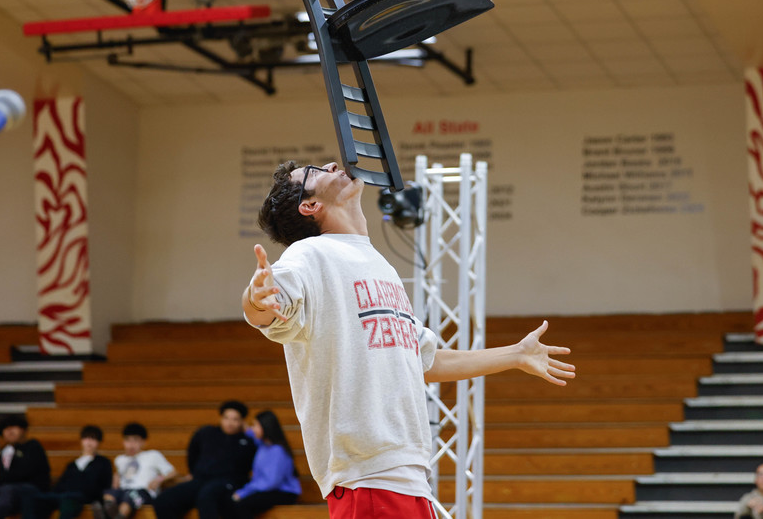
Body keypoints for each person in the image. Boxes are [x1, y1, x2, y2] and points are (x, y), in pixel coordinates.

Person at [245, 160, 575, 518]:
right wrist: (256, 298)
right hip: (367, 479)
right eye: (314, 171)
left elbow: (425, 360)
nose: (331, 164)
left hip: (409, 477)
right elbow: (268, 304)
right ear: (310, 206)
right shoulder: (308, 256)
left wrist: (515, 354)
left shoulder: (377, 263)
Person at [152, 402, 255, 519]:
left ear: (242, 421)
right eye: (226, 418)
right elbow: (193, 451)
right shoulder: (206, 433)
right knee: (164, 500)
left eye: (235, 419)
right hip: (201, 480)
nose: (230, 423)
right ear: (220, 418)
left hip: (228, 482)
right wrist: (193, 472)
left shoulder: (248, 441)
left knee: (206, 497)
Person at [24, 425, 113, 519]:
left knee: (69, 503)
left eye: (93, 439)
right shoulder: (72, 465)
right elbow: (60, 485)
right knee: (35, 500)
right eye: (86, 438)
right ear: (81, 440)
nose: (89, 442)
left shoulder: (103, 462)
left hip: (83, 498)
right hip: (64, 495)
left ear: (99, 442)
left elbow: (104, 486)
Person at [226, 411, 300, 518]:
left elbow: (271, 482)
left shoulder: (277, 451)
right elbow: (251, 433)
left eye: (255, 425)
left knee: (242, 505)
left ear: (266, 427)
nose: (253, 429)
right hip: (269, 489)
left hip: (284, 492)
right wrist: (243, 426)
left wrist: (244, 492)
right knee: (230, 502)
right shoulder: (263, 445)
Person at [103, 422, 176, 519]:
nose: (131, 445)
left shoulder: (153, 455)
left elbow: (173, 472)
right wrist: (116, 477)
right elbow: (119, 476)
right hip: (123, 491)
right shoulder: (120, 460)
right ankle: (110, 512)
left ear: (143, 442)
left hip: (143, 493)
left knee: (130, 497)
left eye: (135, 440)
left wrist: (159, 479)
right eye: (128, 440)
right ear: (123, 442)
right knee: (109, 493)